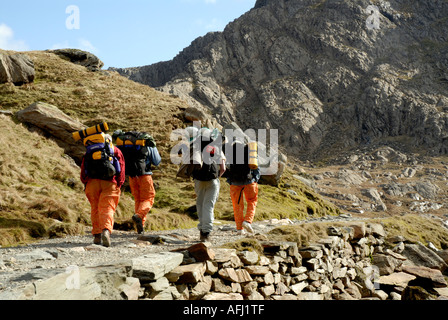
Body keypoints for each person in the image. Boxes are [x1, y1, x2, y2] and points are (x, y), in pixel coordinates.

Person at [80, 134, 126, 247]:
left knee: (95, 208)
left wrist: (85, 182)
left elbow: (83, 168)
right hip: (110, 182)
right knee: (107, 208)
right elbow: (121, 167)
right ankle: (106, 230)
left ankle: (96, 236)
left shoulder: (90, 151)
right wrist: (119, 183)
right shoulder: (115, 150)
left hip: (92, 183)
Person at [113, 130, 162, 235]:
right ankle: (139, 216)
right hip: (145, 175)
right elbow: (157, 161)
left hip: (131, 176)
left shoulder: (123, 144)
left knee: (138, 200)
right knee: (149, 198)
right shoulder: (146, 143)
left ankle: (140, 228)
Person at [192, 128, 226, 242]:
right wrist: (217, 176)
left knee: (200, 203)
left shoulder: (196, 145)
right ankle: (206, 233)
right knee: (209, 205)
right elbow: (223, 168)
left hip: (198, 179)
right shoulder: (215, 146)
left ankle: (201, 229)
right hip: (212, 179)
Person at [226, 141, 261, 235]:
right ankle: (247, 221)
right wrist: (255, 179)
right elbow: (256, 168)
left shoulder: (230, 153)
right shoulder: (250, 152)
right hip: (249, 181)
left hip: (234, 183)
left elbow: (227, 168)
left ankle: (239, 229)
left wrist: (230, 180)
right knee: (252, 200)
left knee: (237, 205)